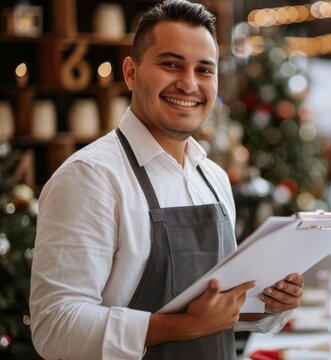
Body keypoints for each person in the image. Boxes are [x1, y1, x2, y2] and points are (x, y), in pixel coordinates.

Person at [29, 1, 304, 358]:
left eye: (204, 70)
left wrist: (269, 305)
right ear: (131, 72)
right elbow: (55, 327)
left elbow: (217, 310)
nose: (189, 84)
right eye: (171, 64)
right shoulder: (89, 178)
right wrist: (180, 327)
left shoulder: (213, 178)